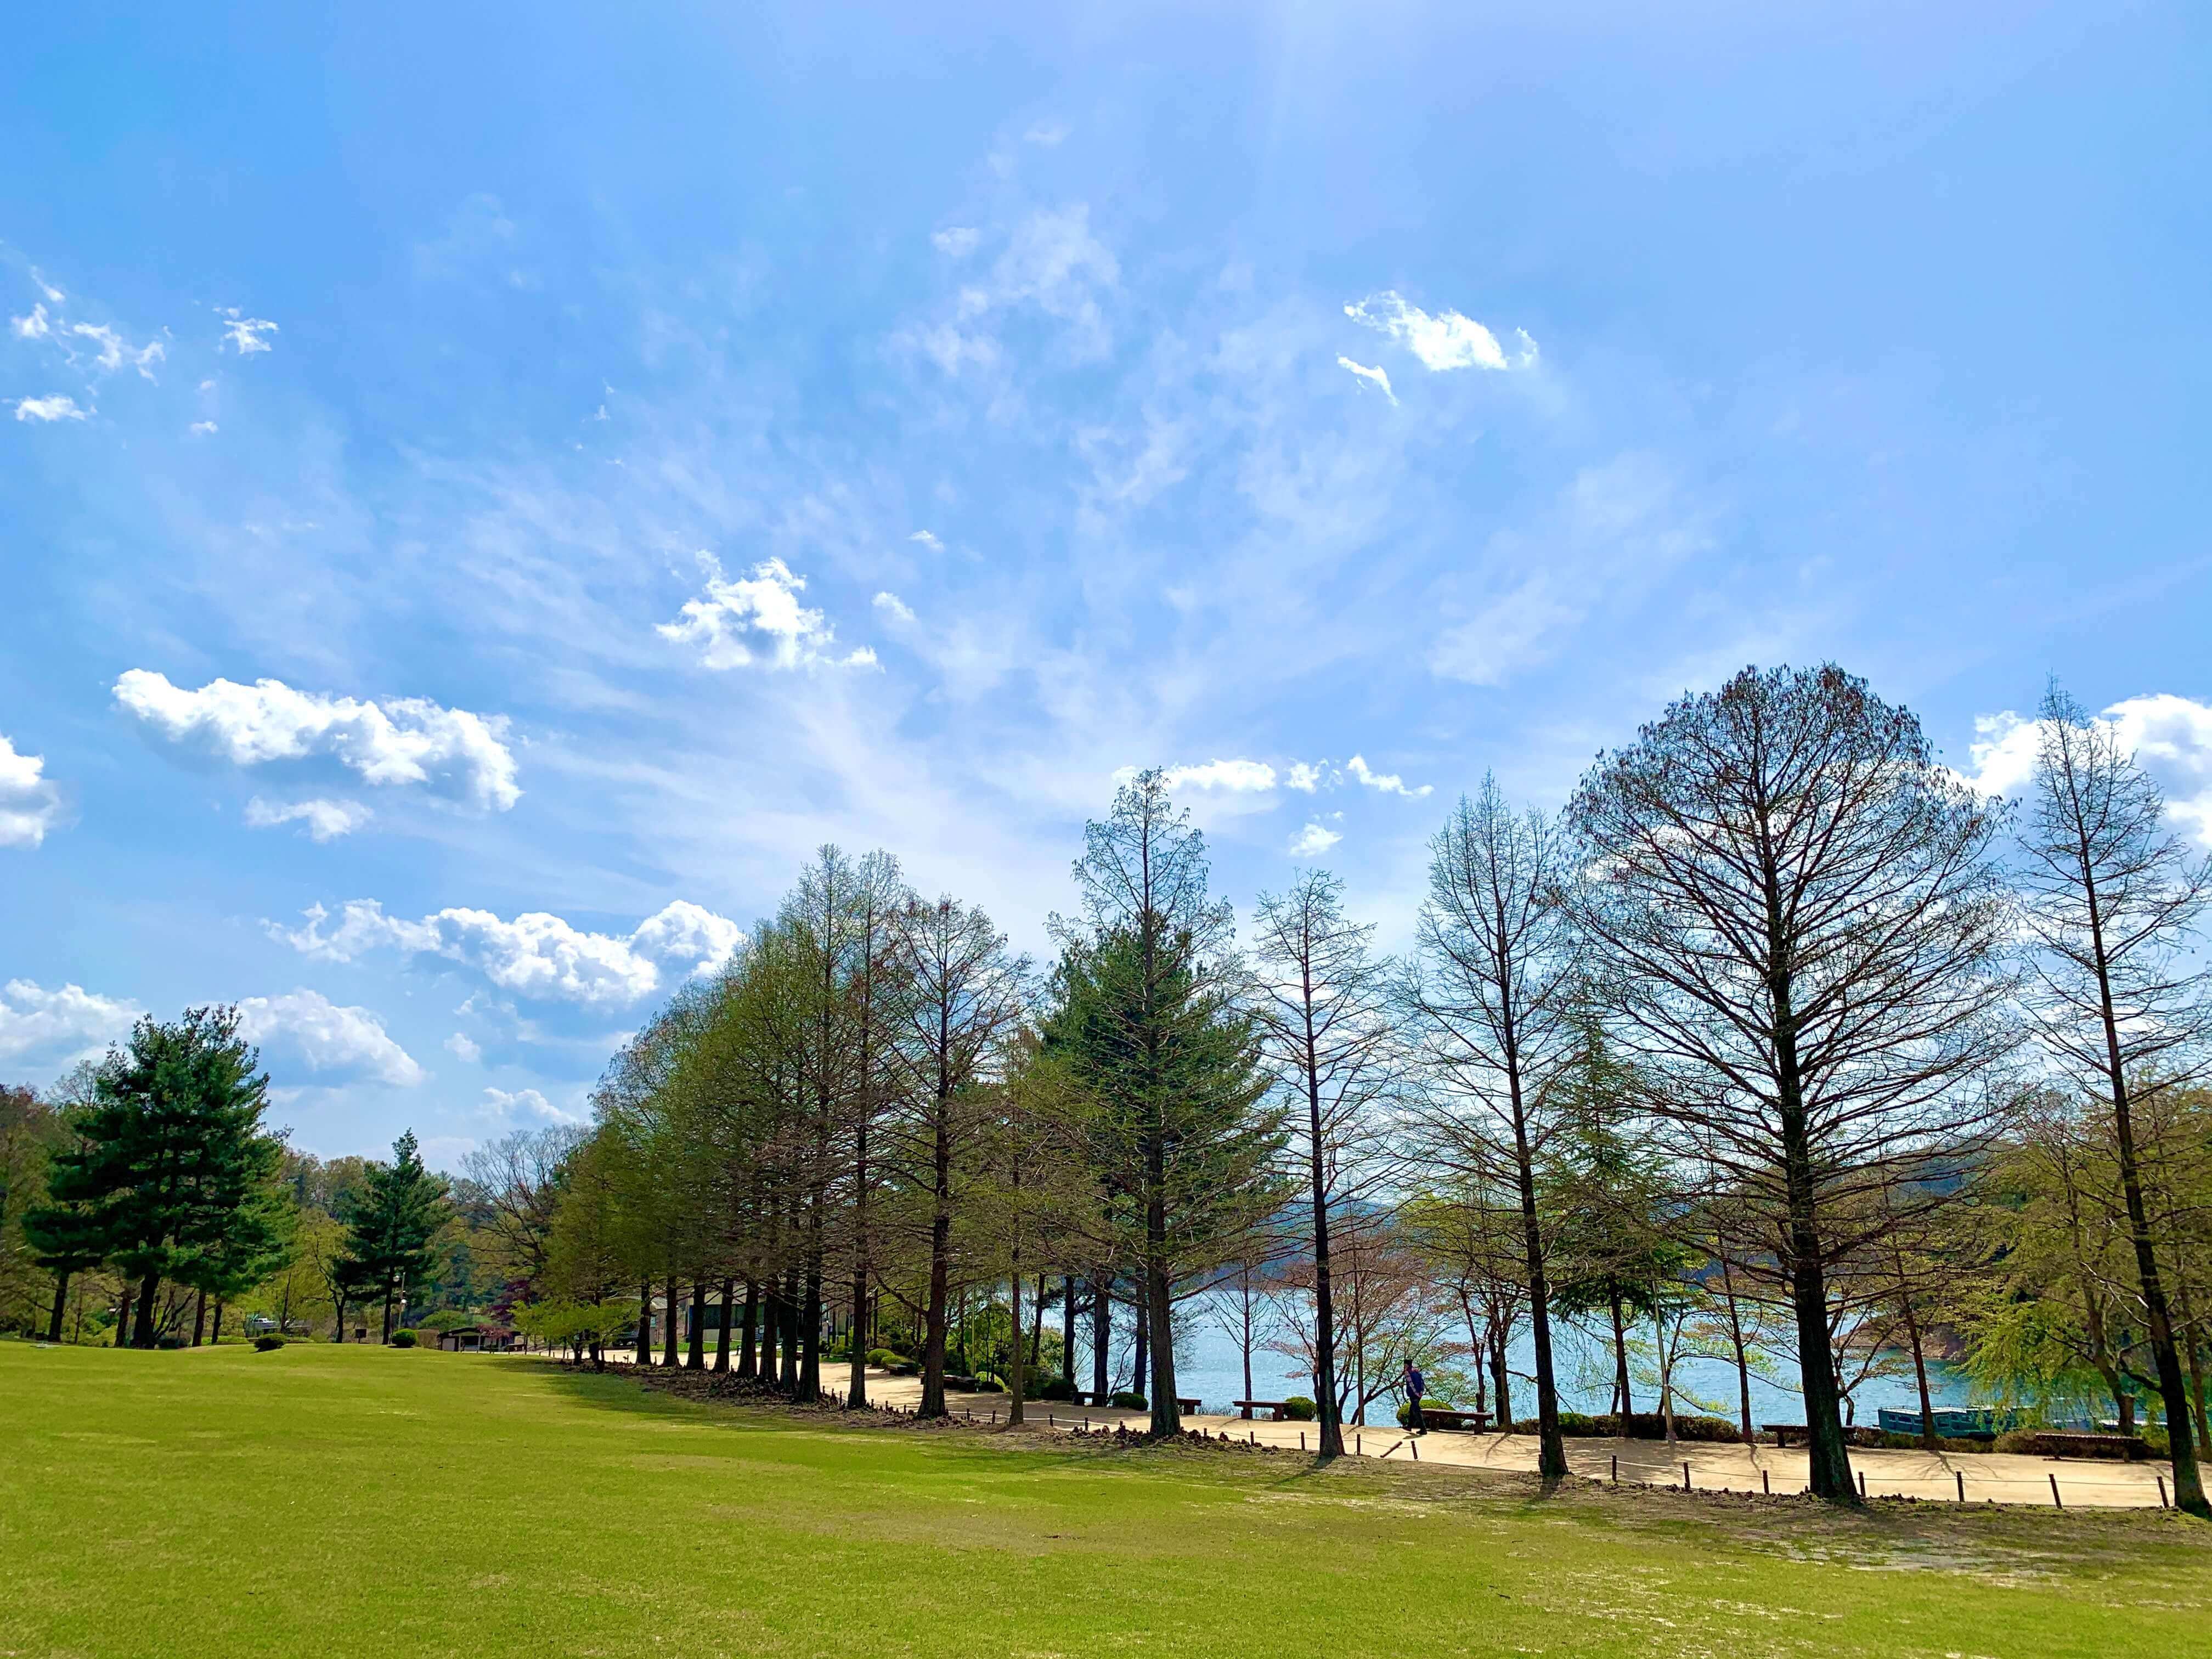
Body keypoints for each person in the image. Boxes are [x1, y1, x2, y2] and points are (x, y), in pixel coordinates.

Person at [1403, 1361, 1426, 1435]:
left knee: (1417, 1411)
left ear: (1406, 1365)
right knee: (1412, 1409)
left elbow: (1411, 1384)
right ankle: (1409, 1426)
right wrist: (1421, 1392)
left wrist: (1416, 1393)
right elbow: (1422, 1382)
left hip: (1414, 1394)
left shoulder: (1407, 1373)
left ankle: (1423, 1429)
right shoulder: (1417, 1371)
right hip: (1419, 1394)